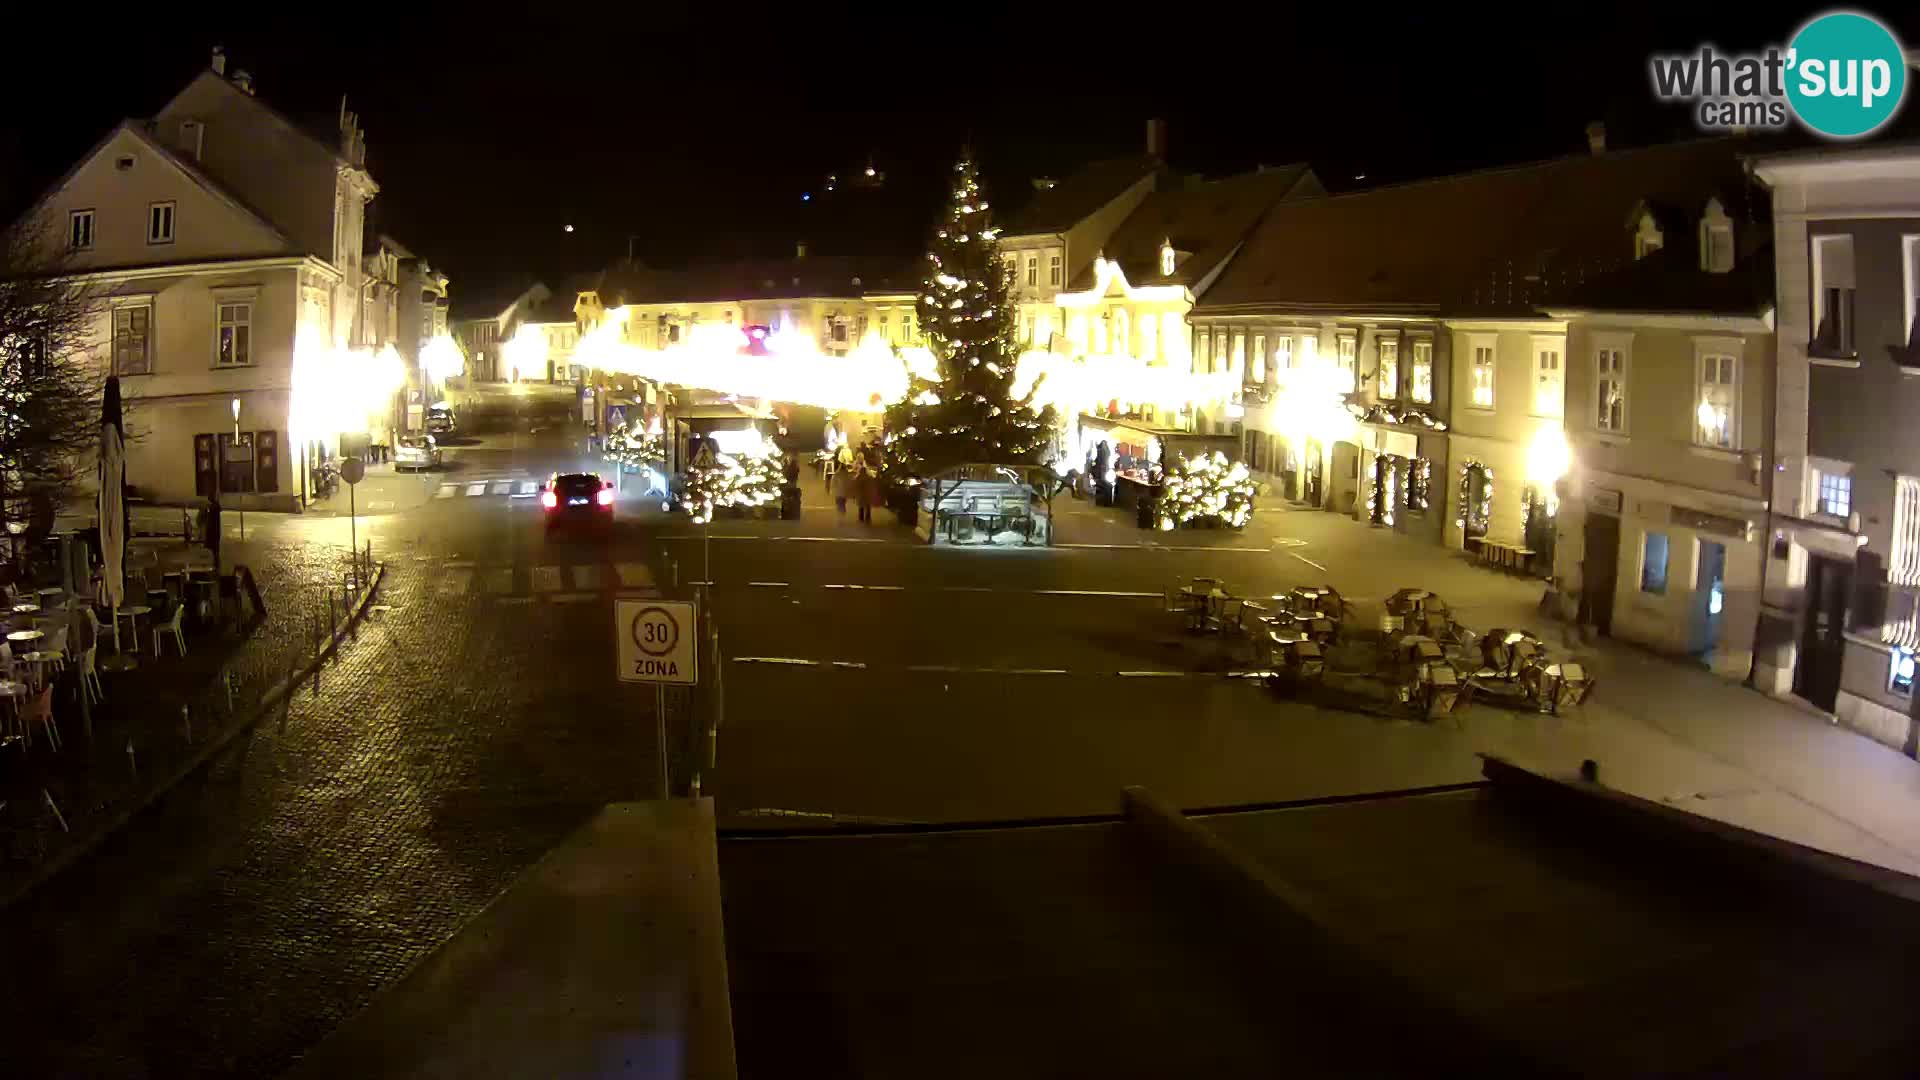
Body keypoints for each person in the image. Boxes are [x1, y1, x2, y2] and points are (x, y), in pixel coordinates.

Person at [854, 452, 875, 524]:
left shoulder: (864, 465)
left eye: (861, 458)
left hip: (865, 488)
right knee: (863, 503)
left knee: (864, 503)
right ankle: (863, 517)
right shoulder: (857, 464)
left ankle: (865, 517)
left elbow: (869, 473)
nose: (860, 459)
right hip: (863, 488)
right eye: (859, 458)